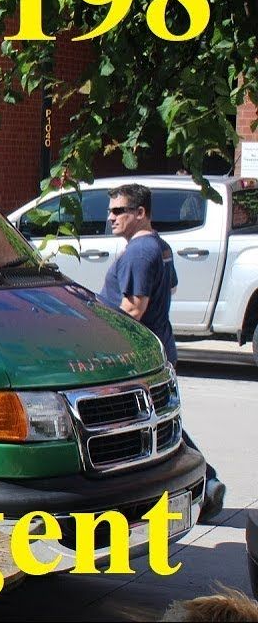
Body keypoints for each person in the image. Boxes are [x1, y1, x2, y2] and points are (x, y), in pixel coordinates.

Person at [98, 184, 226, 523]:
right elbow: (171, 287)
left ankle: (205, 484)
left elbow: (133, 309)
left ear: (140, 213)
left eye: (118, 211)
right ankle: (205, 485)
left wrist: (100, 339)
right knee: (163, 427)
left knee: (159, 431)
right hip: (157, 350)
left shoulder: (140, 252)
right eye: (110, 211)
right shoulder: (160, 246)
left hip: (136, 358)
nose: (110, 218)